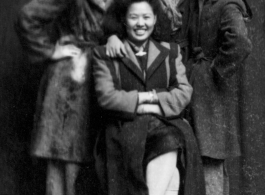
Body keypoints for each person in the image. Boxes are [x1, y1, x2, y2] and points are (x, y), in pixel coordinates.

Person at [92, 0, 205, 195]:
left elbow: (184, 92)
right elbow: (107, 97)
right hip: (123, 131)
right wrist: (146, 100)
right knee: (171, 175)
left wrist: (152, 102)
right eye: (134, 17)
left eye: (146, 17)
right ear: (123, 21)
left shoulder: (170, 52)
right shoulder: (106, 54)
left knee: (170, 142)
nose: (140, 23)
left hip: (164, 126)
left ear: (155, 19)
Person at [16, 0, 114, 194]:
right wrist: (51, 50)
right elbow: (27, 16)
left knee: (92, 164)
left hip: (103, 80)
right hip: (69, 86)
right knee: (64, 160)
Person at [187, 0, 252, 194]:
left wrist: (215, 69)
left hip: (210, 95)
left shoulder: (227, 4)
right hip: (199, 91)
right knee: (208, 162)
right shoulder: (202, 3)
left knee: (211, 160)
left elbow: (240, 42)